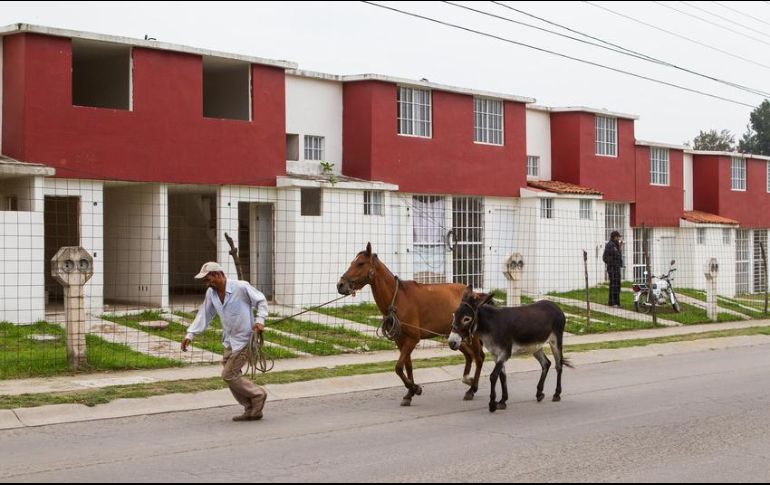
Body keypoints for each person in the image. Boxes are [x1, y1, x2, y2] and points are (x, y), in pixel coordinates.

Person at [181, 262, 269, 422]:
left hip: (245, 340)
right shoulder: (211, 293)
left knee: (228, 375)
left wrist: (260, 320)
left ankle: (258, 394)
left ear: (218, 274)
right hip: (229, 341)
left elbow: (261, 301)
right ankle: (251, 408)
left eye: (208, 279)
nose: (207, 283)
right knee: (232, 376)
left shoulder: (241, 287)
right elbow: (204, 314)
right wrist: (190, 334)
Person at [602, 231, 624, 308]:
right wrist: (611, 263)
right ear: (615, 237)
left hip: (616, 268)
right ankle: (613, 302)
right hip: (612, 268)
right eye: (618, 237)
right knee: (614, 285)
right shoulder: (610, 245)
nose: (619, 239)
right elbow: (605, 257)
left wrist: (619, 247)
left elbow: (618, 255)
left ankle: (616, 302)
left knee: (617, 285)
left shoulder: (616, 245)